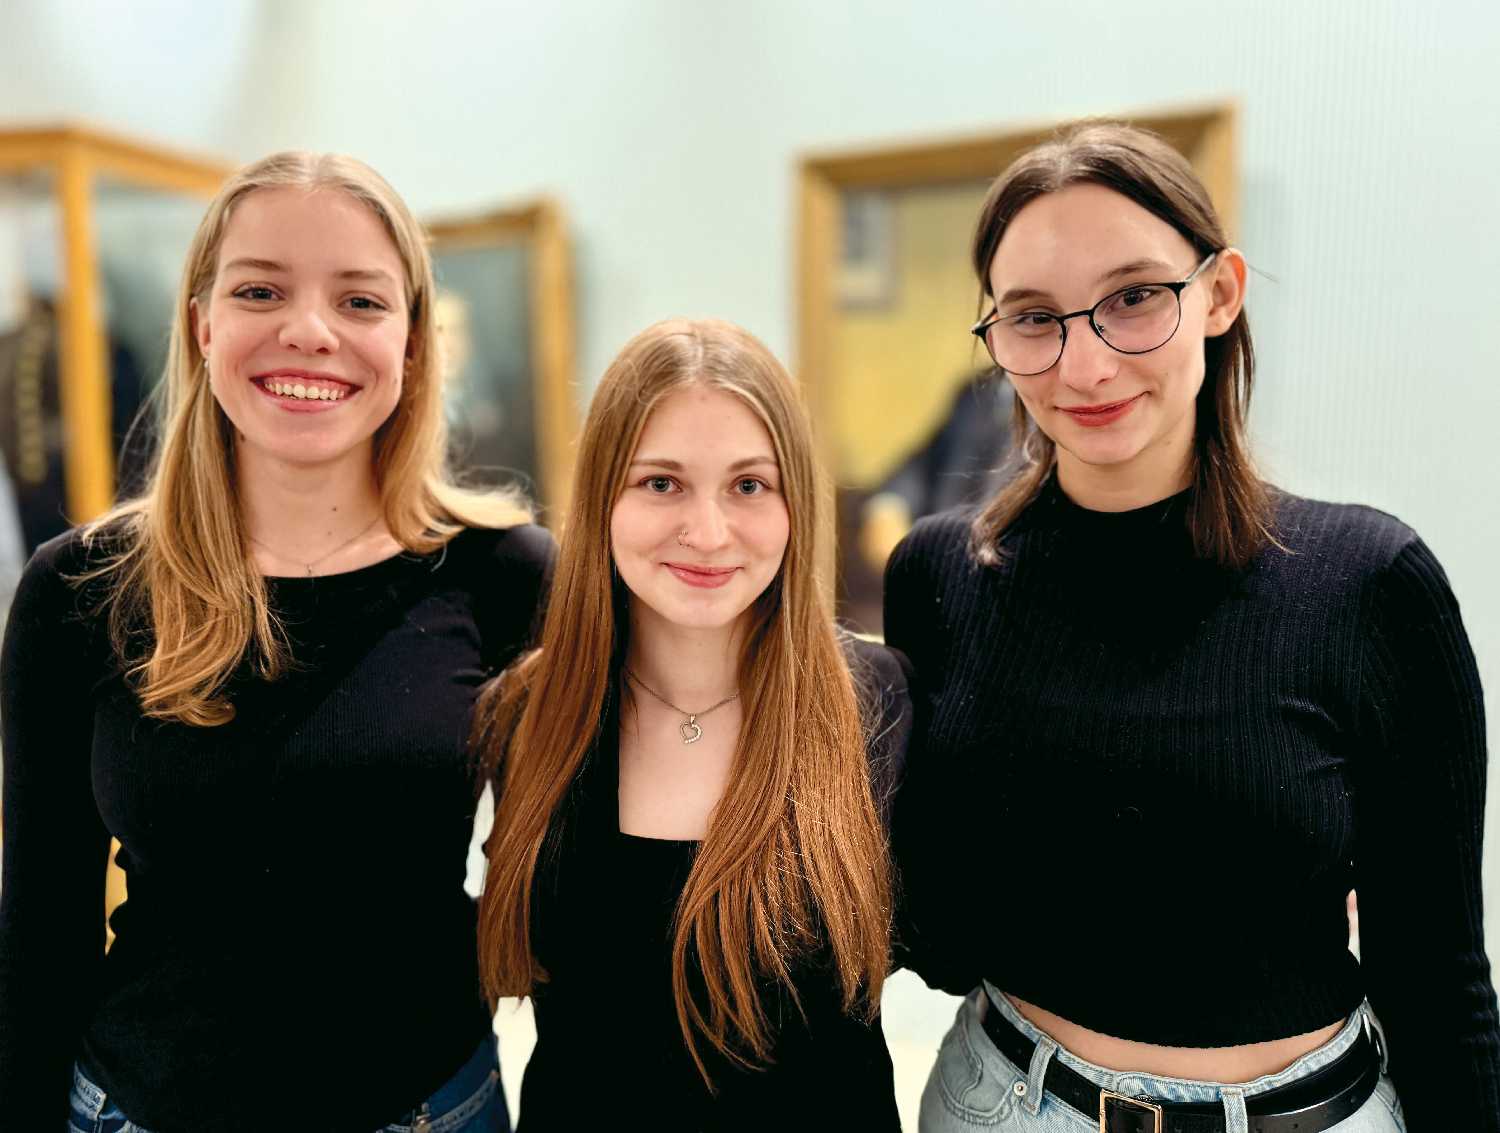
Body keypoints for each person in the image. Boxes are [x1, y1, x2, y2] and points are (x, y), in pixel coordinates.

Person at [886, 122, 1498, 1132]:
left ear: (1219, 293)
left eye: (1133, 297)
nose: (1083, 365)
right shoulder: (942, 574)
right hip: (1006, 1101)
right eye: (1033, 317)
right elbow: (942, 932)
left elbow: (1438, 971)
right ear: (995, 337)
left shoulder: (1368, 581)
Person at [0, 151, 553, 1132]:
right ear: (202, 323)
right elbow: (41, 929)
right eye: (260, 289)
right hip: (138, 1107)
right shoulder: (77, 591)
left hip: (424, 1104)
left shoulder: (506, 577)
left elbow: (570, 899)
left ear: (415, 344)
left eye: (361, 301)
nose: (308, 332)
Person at [473, 318, 911, 1131]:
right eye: (661, 482)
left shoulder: (877, 702)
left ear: (795, 505)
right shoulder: (529, 712)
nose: (707, 532)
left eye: (749, 485)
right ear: (604, 491)